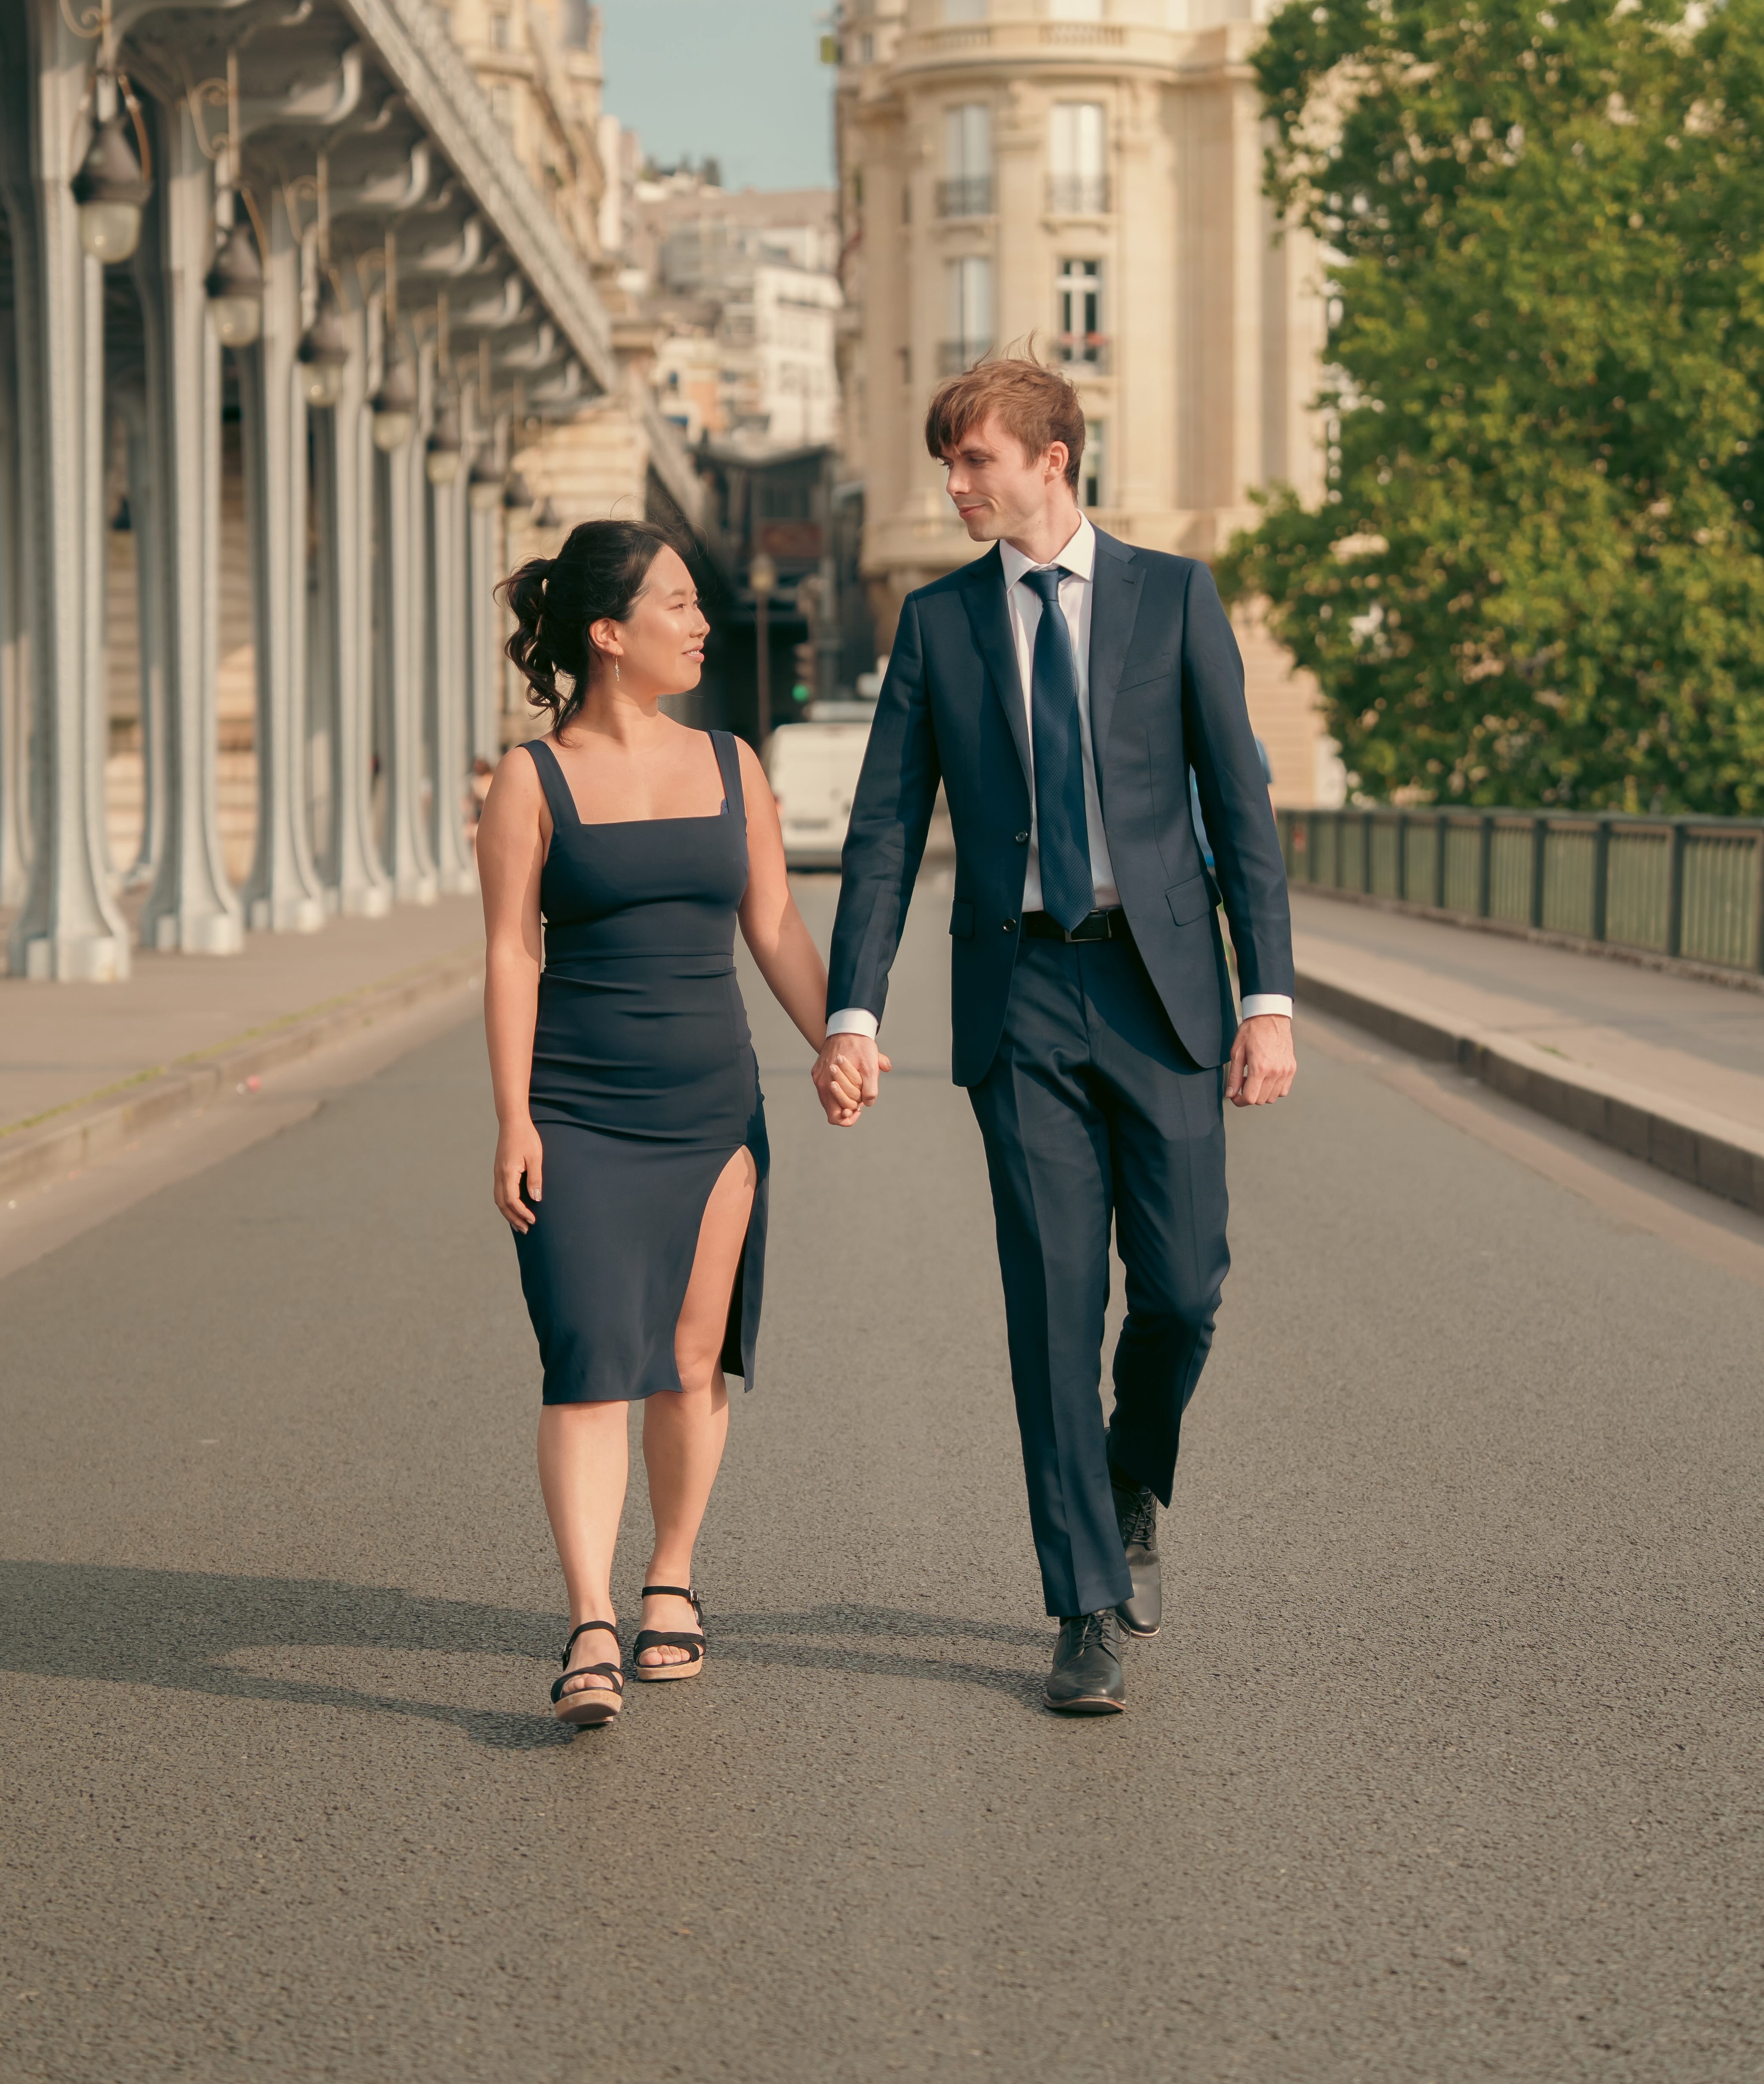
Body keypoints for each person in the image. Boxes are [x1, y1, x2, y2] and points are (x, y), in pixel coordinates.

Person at [815, 360, 1296, 1718]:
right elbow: (886, 832)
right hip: (1018, 993)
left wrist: (1270, 999)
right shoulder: (940, 624)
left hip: (1163, 992)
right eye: (949, 466)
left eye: (976, 463)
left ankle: (1133, 1475)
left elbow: (1241, 809)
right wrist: (856, 1003)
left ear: (1054, 459)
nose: (958, 488)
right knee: (1050, 1304)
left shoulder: (1173, 597)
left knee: (1187, 1287)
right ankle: (1086, 1602)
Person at [477, 520, 848, 1726]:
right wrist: (512, 1120)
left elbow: (779, 927)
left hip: (713, 1107)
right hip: (577, 1110)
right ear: (608, 633)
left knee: (692, 1362)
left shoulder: (734, 764)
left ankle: (670, 1578)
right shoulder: (529, 783)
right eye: (678, 606)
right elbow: (507, 956)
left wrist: (839, 1037)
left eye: (698, 606)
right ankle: (590, 1616)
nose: (698, 624)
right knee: (588, 1360)